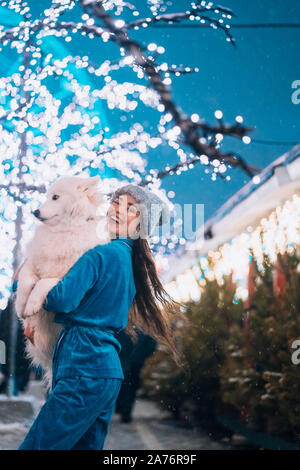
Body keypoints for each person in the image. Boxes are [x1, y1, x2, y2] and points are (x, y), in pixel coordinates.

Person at [13, 183, 186, 450]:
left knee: (39, 445)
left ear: (140, 224)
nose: (118, 210)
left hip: (83, 366)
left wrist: (28, 281)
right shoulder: (128, 259)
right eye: (117, 202)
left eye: (131, 209)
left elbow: (62, 299)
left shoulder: (100, 255)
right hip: (105, 371)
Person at [115, 329, 157, 423]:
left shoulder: (124, 326)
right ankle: (125, 410)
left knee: (124, 384)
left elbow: (152, 345)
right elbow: (152, 344)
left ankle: (123, 409)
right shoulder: (143, 327)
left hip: (127, 361)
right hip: (132, 361)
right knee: (129, 386)